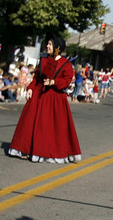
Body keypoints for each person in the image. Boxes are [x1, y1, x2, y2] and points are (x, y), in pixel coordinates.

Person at [8, 34, 81, 162]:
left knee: (49, 127)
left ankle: (46, 151)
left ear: (57, 47)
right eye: (47, 44)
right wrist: (30, 88)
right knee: (29, 123)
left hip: (55, 98)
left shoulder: (66, 64)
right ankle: (26, 149)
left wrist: (53, 82)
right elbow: (36, 78)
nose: (47, 46)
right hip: (39, 95)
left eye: (50, 44)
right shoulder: (43, 61)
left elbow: (66, 81)